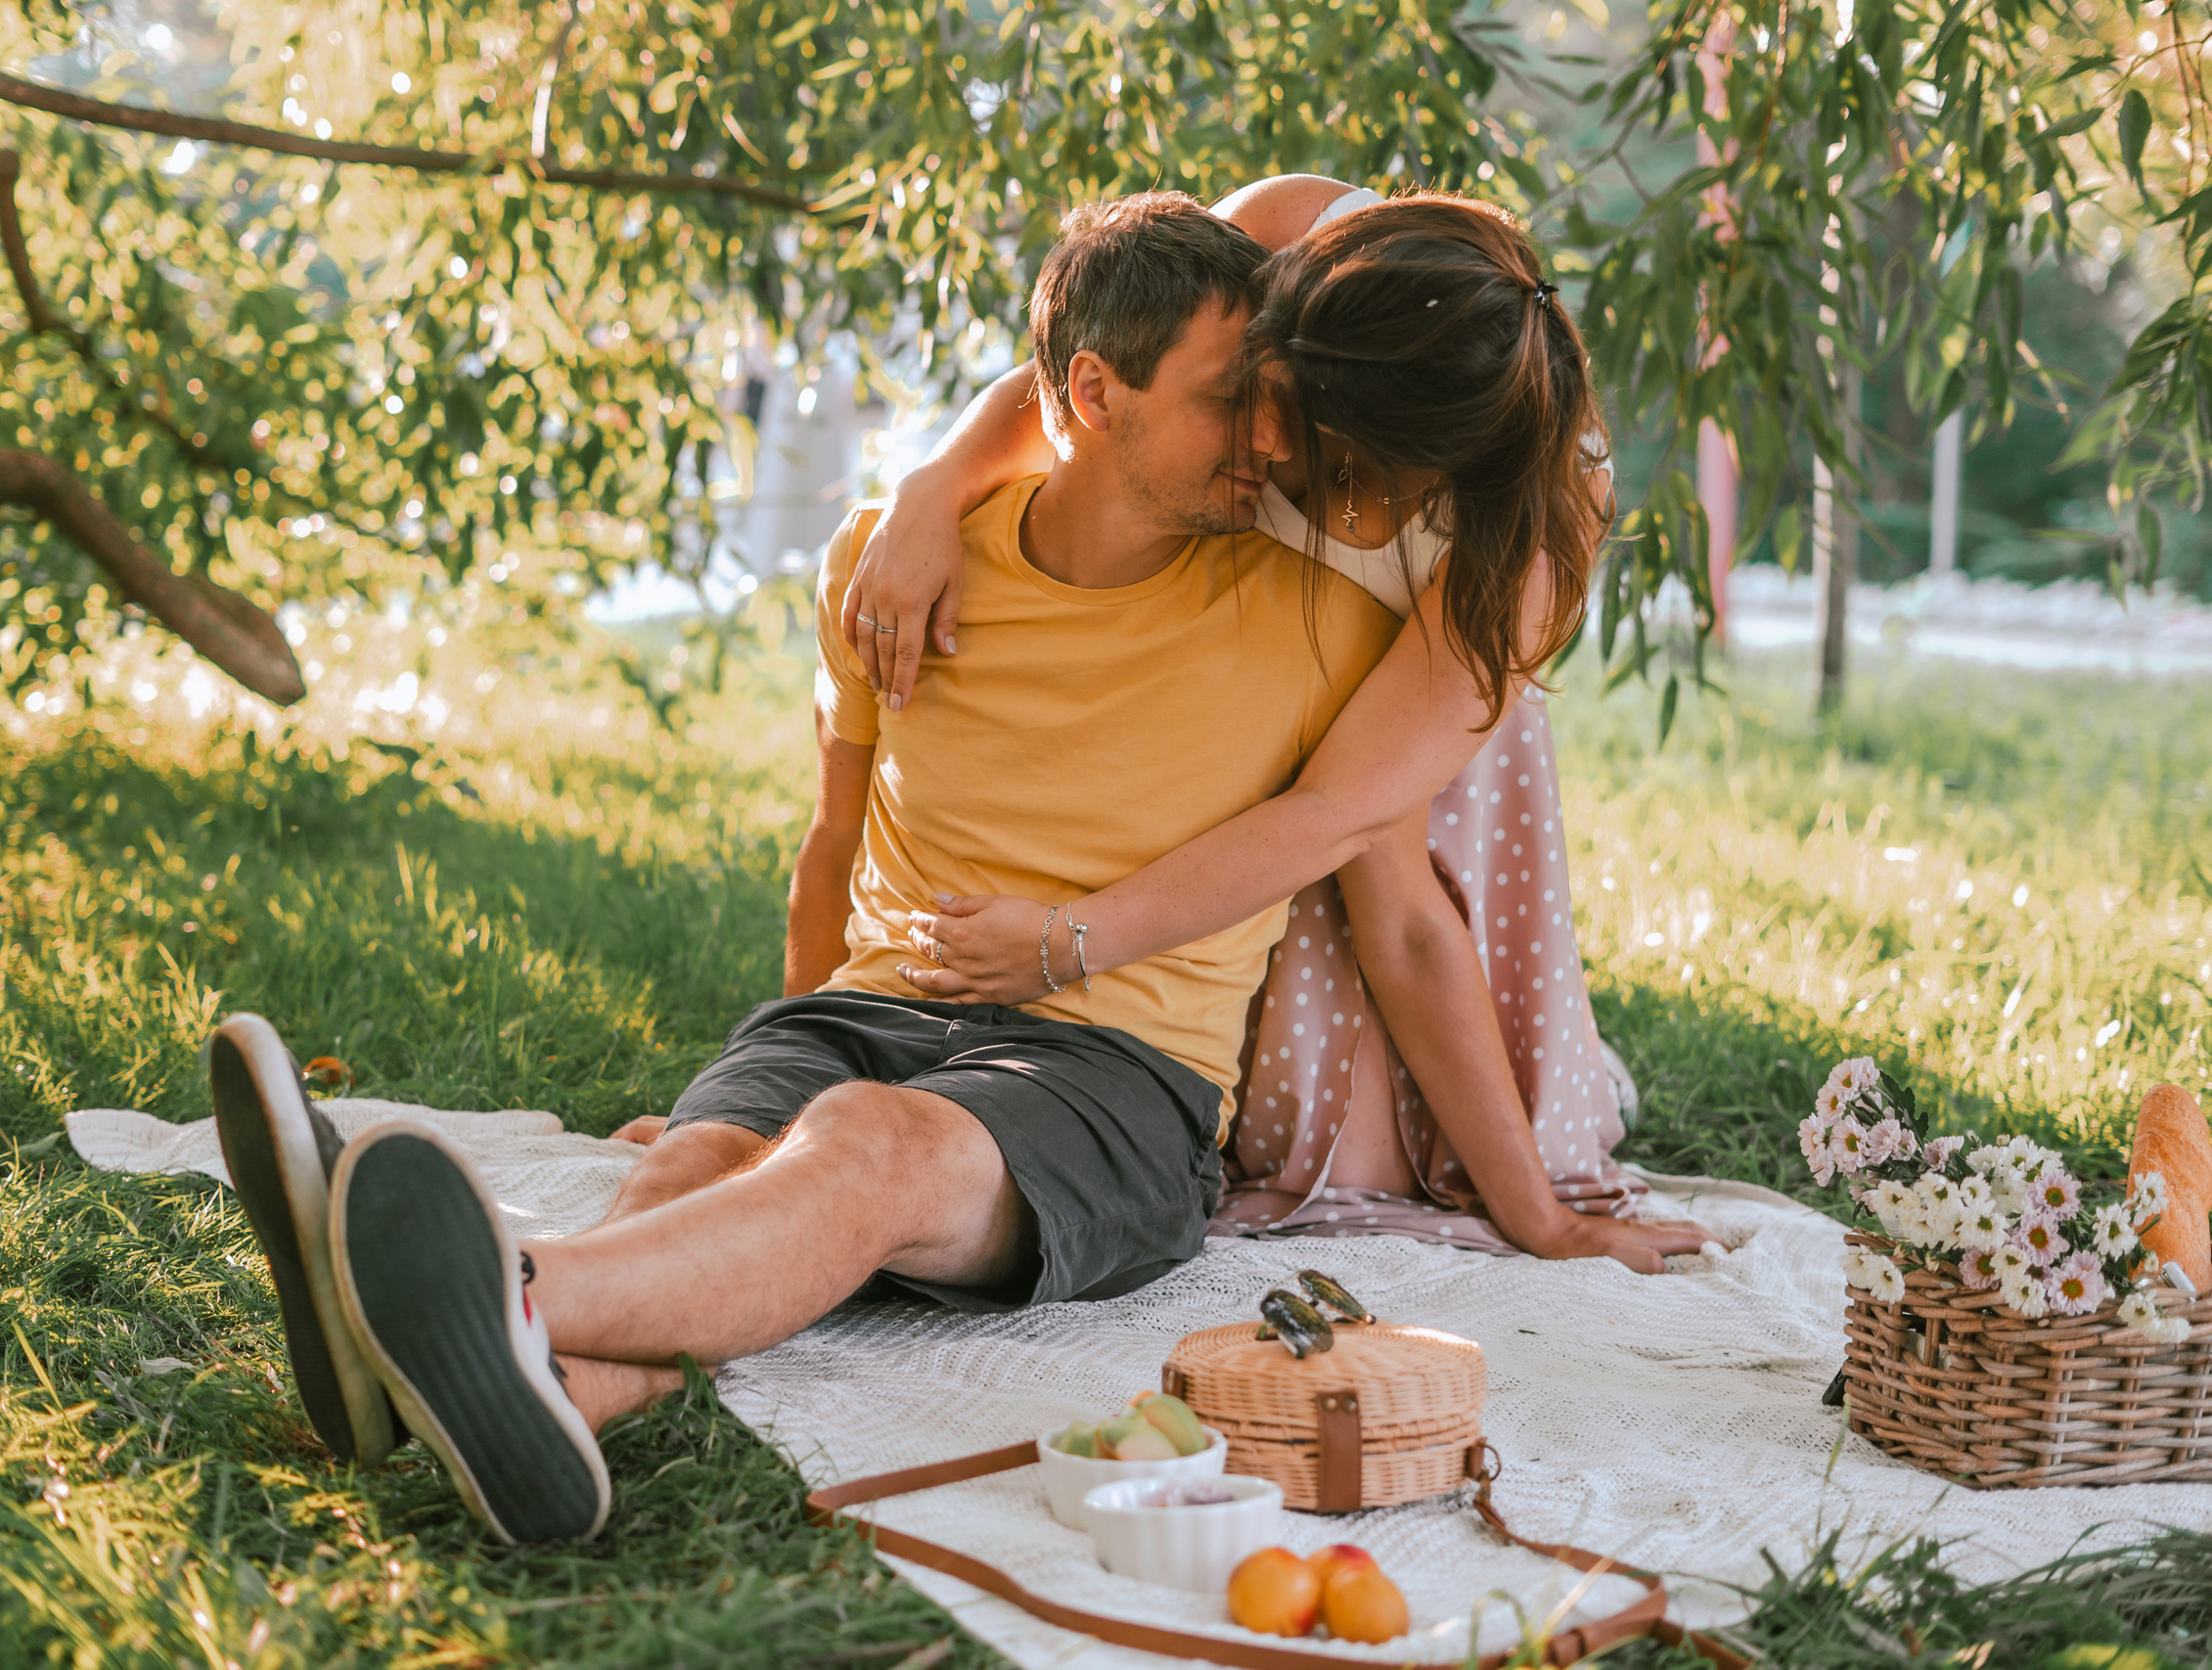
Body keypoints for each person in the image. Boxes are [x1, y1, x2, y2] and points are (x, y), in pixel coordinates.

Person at [211, 192, 1421, 1543]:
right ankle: (545, 1387)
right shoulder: (899, 565)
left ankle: (457, 1280)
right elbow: (832, 839)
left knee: (857, 1144)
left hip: (1113, 1079)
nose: (1272, 436)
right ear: (1093, 389)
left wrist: (1542, 1203)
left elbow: (1409, 860)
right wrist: (766, 1062)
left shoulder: (1331, 613)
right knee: (703, 1169)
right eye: (1228, 397)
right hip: (864, 1008)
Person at [847, 178, 1679, 1259]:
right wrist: (933, 490)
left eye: (1313, 437)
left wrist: (1542, 1221)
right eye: (1252, 395)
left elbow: (1356, 838)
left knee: (1372, 965)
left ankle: (1435, 1145)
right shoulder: (1290, 228)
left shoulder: (1525, 542)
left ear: (1405, 465)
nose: (1270, 444)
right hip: (1222, 671)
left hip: (1399, 729)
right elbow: (1102, 360)